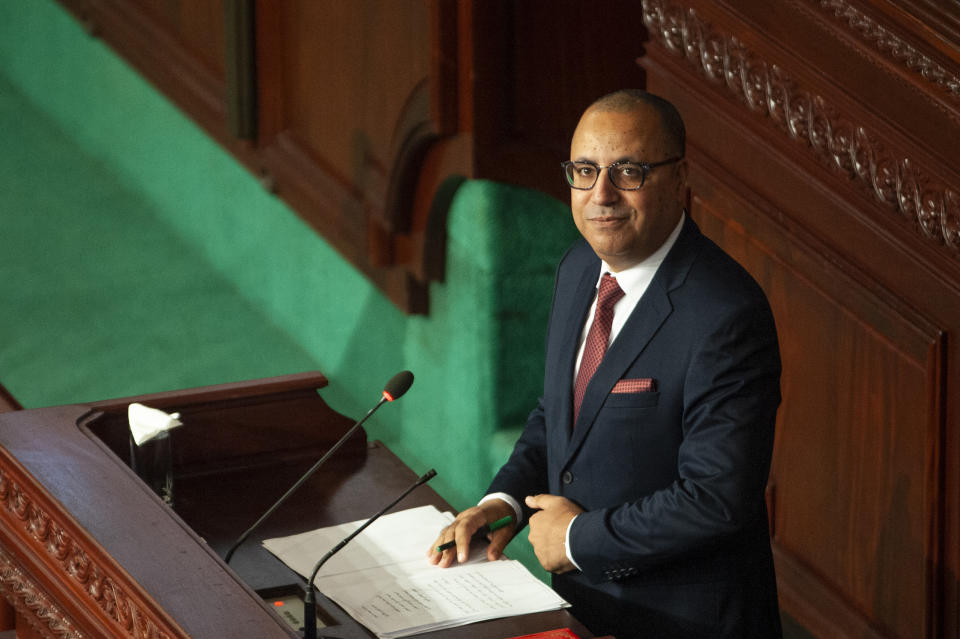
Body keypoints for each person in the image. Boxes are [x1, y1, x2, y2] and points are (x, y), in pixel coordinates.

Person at [427, 89, 783, 638]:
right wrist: (502, 504)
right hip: (585, 608)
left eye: (629, 172)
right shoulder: (577, 268)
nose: (602, 195)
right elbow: (560, 416)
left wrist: (574, 540)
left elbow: (716, 498)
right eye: (585, 171)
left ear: (681, 177)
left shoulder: (725, 314)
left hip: (681, 622)